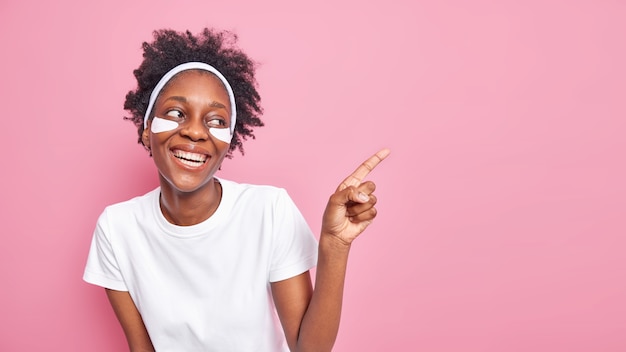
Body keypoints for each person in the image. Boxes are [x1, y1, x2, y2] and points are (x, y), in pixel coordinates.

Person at [83, 28, 390, 352]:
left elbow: (308, 349)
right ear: (147, 130)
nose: (195, 131)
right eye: (176, 113)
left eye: (215, 120)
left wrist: (335, 245)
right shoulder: (117, 229)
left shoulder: (269, 210)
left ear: (229, 141)